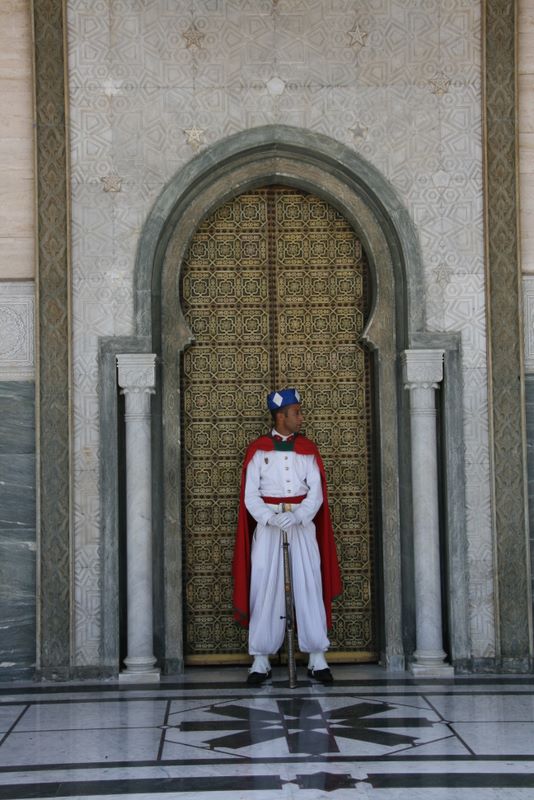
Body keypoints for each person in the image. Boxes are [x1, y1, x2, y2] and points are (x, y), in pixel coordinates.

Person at [232, 387, 342, 685]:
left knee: (308, 585)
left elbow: (316, 492)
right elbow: (250, 495)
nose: (301, 417)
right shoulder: (258, 450)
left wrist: (298, 516)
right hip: (269, 529)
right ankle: (260, 659)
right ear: (281, 416)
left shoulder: (307, 449)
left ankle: (317, 657)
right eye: (296, 413)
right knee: (265, 587)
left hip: (301, 527)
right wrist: (269, 518)